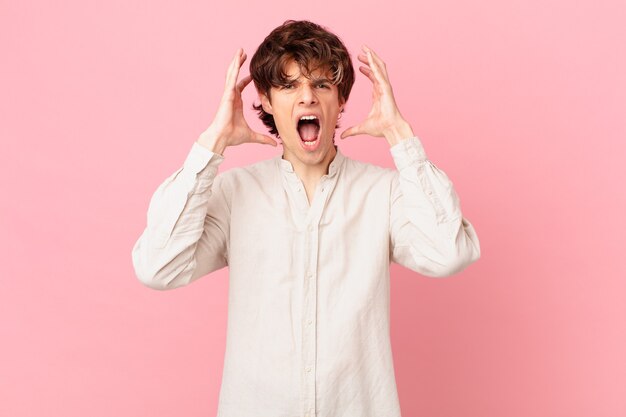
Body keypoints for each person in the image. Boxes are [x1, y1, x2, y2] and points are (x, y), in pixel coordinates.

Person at [132, 19, 480, 417]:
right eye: (288, 85)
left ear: (341, 100)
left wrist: (400, 135)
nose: (307, 98)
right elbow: (157, 267)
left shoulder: (384, 194)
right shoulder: (233, 195)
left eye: (321, 84)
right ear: (263, 99)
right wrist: (212, 141)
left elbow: (450, 252)